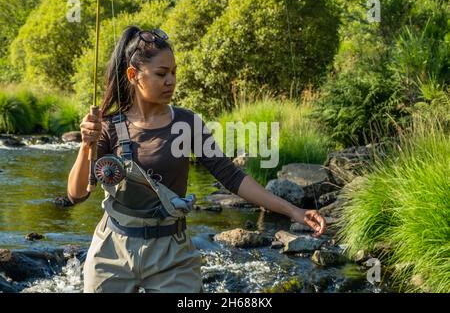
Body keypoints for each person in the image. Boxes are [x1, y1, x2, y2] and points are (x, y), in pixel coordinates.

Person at [67, 26, 326, 293]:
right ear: (133, 75)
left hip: (172, 253)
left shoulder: (186, 123)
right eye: (161, 73)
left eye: (174, 72)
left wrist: (294, 211)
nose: (171, 81)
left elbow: (232, 177)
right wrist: (86, 146)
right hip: (112, 249)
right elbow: (76, 195)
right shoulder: (108, 126)